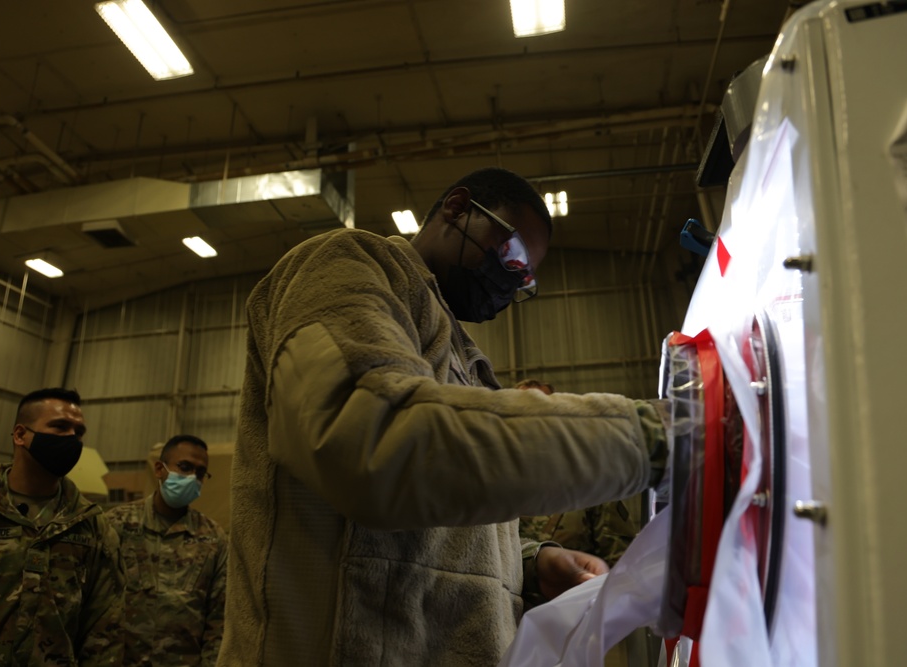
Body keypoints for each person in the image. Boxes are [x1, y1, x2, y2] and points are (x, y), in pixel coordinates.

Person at [219, 167, 669, 666]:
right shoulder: (347, 265)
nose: (514, 280)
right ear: (457, 207)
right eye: (514, 255)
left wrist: (528, 563)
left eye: (526, 277)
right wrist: (650, 434)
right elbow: (377, 444)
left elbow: (434, 535)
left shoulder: (464, 355)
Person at [0, 387, 125, 665]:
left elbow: (104, 629)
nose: (72, 439)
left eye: (78, 432)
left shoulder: (91, 526)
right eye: (60, 427)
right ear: (20, 435)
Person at [106, 434, 228, 666]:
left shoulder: (213, 537)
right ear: (160, 469)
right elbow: (98, 602)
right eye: (184, 467)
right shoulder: (117, 524)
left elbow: (218, 618)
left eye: (200, 473)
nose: (192, 477)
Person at [515, 379, 642, 571]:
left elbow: (620, 563)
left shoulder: (591, 482)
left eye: (542, 407)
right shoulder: (489, 482)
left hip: (572, 598)